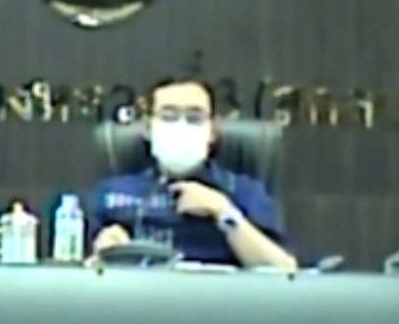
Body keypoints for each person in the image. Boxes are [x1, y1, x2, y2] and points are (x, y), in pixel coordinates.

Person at [87, 77, 297, 269]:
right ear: (148, 128)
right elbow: (84, 267)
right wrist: (106, 251)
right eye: (169, 116)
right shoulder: (111, 193)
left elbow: (283, 269)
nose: (181, 126)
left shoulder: (244, 192)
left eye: (195, 117)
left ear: (213, 130)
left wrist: (223, 212)